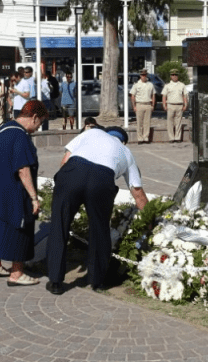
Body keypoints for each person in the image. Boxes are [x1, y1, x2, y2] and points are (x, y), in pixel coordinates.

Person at [45, 125, 148, 295]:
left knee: (59, 225)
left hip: (73, 172)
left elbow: (65, 160)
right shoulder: (126, 152)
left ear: (106, 133)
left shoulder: (92, 132)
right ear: (123, 141)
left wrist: (63, 187)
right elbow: (138, 195)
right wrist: (152, 222)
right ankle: (96, 281)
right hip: (102, 180)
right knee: (100, 230)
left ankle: (55, 281)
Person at [0, 99, 48, 287]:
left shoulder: (2, 128)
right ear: (34, 117)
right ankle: (17, 272)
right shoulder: (20, 136)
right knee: (21, 227)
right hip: (10, 192)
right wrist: (33, 197)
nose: (37, 128)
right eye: (39, 123)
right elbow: (23, 169)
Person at [161, 69, 188, 143]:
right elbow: (164, 96)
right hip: (170, 105)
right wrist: (164, 105)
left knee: (178, 122)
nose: (174, 76)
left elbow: (185, 95)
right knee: (170, 122)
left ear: (178, 76)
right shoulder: (167, 85)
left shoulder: (182, 85)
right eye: (173, 75)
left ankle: (177, 137)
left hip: (179, 105)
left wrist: (185, 104)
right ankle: (171, 138)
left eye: (176, 75)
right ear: (170, 76)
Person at [130, 70, 156, 143]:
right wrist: (134, 106)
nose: (144, 76)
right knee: (139, 123)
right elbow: (133, 96)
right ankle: (140, 138)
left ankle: (146, 137)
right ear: (140, 76)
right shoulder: (136, 85)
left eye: (145, 75)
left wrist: (153, 105)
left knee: (147, 123)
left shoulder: (150, 84)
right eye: (142, 75)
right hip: (139, 104)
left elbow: (153, 95)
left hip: (148, 104)